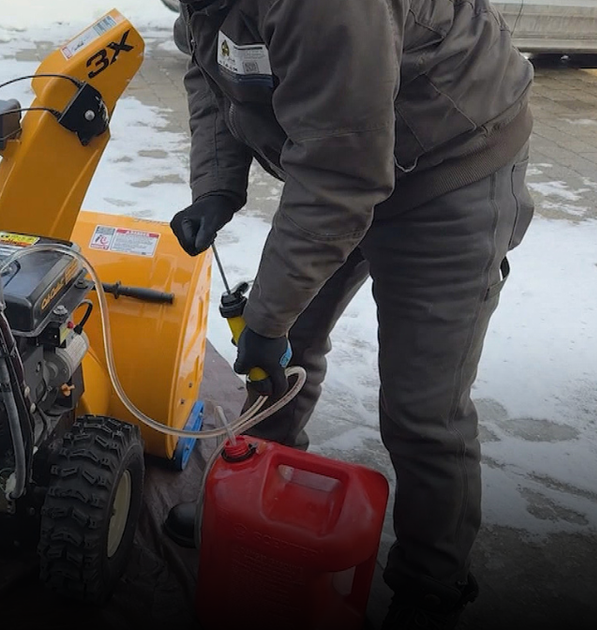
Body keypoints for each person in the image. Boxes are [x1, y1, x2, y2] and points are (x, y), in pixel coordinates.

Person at [165, 1, 535, 628]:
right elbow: (214, 69)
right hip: (342, 157)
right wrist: (217, 184)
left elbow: (341, 175)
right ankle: (252, 492)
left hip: (449, 172)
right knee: (286, 351)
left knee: (423, 409)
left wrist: (267, 320)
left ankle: (432, 581)